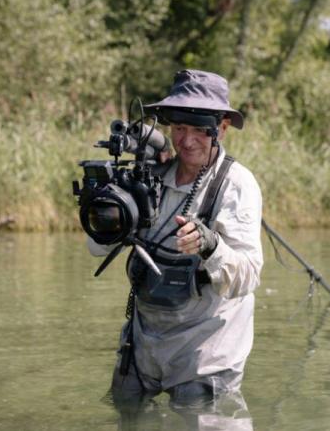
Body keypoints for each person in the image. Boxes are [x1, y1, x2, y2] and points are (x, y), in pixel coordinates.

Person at [88, 69, 263, 408]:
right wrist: (105, 218)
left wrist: (210, 245)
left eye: (200, 130)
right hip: (144, 346)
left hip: (206, 350)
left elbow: (249, 275)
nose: (187, 140)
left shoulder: (237, 185)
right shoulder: (148, 176)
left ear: (223, 128)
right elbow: (97, 249)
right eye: (179, 128)